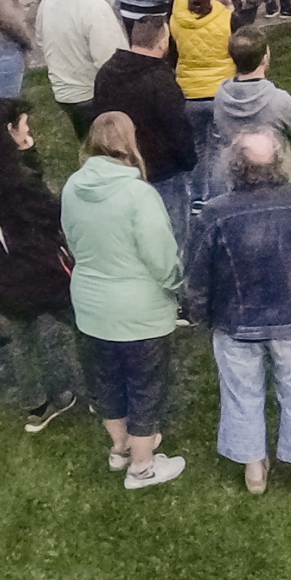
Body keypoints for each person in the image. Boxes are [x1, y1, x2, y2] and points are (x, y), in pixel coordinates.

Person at [185, 130, 291, 495]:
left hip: (234, 323)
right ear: (281, 162)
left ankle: (254, 469)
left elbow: (197, 276)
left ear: (234, 165)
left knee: (242, 394)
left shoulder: (214, 212)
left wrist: (200, 315)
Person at [62, 111, 187, 490]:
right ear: (130, 143)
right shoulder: (139, 195)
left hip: (90, 306)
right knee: (145, 386)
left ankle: (120, 448)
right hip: (139, 311)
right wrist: (178, 284)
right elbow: (160, 256)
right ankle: (142, 466)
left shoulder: (72, 186)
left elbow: (71, 239)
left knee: (106, 381)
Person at [0, 97, 82, 431]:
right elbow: (48, 213)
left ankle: (36, 405)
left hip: (0, 272)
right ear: (9, 130)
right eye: (24, 125)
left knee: (24, 339)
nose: (28, 131)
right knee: (86, 325)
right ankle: (101, 393)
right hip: (40, 269)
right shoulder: (16, 182)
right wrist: (30, 156)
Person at [90, 17, 197, 241]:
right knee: (172, 235)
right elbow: (177, 128)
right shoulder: (161, 82)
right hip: (162, 173)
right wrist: (188, 161)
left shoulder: (106, 73)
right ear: (162, 42)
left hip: (122, 168)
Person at [207, 25, 291, 198]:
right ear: (265, 58)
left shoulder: (220, 97)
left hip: (234, 177)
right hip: (277, 178)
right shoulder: (279, 99)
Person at [36, 0, 125, 141]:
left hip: (62, 89)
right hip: (89, 91)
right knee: (104, 145)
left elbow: (40, 38)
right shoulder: (96, 6)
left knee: (85, 141)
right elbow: (109, 59)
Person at [172, 0, 236, 199]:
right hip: (221, 92)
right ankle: (218, 198)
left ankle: (197, 196)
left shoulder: (176, 18)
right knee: (220, 149)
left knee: (198, 147)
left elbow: (173, 53)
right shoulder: (228, 18)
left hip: (189, 93)